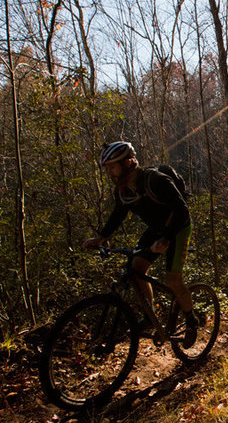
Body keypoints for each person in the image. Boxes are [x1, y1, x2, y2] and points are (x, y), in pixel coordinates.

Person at [82, 141, 197, 347]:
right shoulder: (123, 191)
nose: (109, 172)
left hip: (179, 228)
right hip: (156, 229)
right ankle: (150, 317)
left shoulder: (156, 180)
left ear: (127, 163)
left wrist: (166, 239)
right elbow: (118, 215)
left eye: (112, 166)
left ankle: (191, 320)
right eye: (107, 168)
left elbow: (182, 210)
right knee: (136, 269)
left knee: (173, 280)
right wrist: (101, 237)